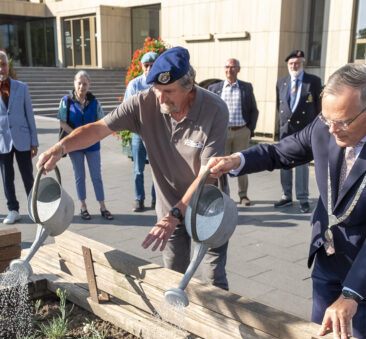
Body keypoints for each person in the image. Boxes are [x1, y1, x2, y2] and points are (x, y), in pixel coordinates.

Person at [206, 63, 366, 339]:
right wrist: (237, 161)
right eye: (326, 119)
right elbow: (281, 152)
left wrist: (352, 294)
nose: (332, 129)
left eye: (342, 123)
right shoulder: (329, 121)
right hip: (328, 252)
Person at [39, 47, 230, 290]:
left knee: (214, 279)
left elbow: (208, 174)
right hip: (169, 205)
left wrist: (175, 216)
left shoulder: (215, 109)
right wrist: (60, 148)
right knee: (173, 279)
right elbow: (98, 128)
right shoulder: (144, 103)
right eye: (157, 90)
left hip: (208, 205)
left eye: (169, 92)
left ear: (189, 84)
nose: (160, 99)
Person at [0, 50, 39, 224]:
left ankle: (34, 208)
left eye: (3, 64)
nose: (1, 68)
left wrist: (34, 141)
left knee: (28, 175)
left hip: (22, 137)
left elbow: (30, 115)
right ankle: (13, 209)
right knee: (7, 177)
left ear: (8, 65)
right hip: (1, 140)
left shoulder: (22, 87)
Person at [58, 71, 113, 221]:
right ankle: (83, 206)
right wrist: (77, 134)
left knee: (96, 176)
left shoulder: (95, 102)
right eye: (79, 83)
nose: (82, 86)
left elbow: (101, 120)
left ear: (89, 85)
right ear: (74, 83)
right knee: (79, 176)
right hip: (74, 144)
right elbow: (62, 122)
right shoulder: (66, 101)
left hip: (92, 144)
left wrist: (91, 134)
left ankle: (103, 206)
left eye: (85, 83)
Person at [274, 50, 322, 214]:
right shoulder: (281, 82)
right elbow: (279, 106)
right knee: (284, 164)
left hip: (304, 130)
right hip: (286, 131)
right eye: (291, 63)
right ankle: (286, 196)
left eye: (297, 63)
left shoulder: (313, 81)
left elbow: (318, 107)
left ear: (303, 64)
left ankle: (303, 198)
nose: (294, 66)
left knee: (302, 166)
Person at [207, 57, 259, 206]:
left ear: (238, 69)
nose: (229, 70)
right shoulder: (215, 88)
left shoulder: (246, 87)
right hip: (222, 133)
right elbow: (210, 112)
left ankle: (243, 195)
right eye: (227, 67)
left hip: (241, 131)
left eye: (233, 67)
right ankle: (222, 196)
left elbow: (253, 110)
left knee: (242, 163)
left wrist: (249, 129)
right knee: (220, 165)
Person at [124, 51, 158, 212]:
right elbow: (127, 110)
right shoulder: (134, 85)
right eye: (146, 65)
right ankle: (139, 199)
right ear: (141, 66)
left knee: (157, 169)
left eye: (152, 65)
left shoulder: (162, 84)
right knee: (138, 169)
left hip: (157, 135)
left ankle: (156, 199)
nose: (149, 68)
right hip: (138, 133)